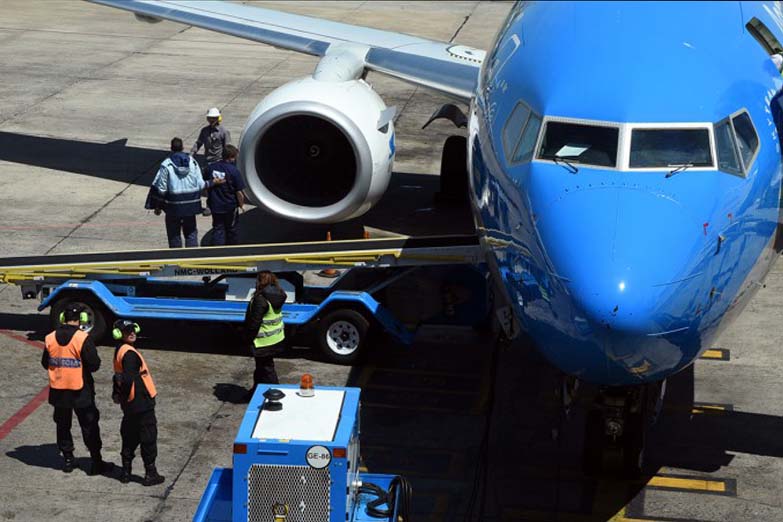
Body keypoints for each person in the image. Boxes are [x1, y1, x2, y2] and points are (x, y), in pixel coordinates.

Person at [41, 304, 106, 475]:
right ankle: (96, 461)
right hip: (80, 390)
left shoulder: (50, 338)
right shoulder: (82, 338)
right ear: (82, 320)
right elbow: (94, 364)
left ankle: (68, 459)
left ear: (63, 318)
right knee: (89, 424)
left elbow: (44, 363)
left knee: (62, 424)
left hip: (59, 390)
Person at [111, 319, 165, 486]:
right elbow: (127, 379)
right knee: (148, 437)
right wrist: (125, 397)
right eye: (128, 331)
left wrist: (120, 397)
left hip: (130, 404)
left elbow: (118, 377)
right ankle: (150, 474)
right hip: (141, 402)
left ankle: (125, 472)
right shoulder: (130, 354)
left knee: (129, 435)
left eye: (133, 330)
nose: (132, 333)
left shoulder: (120, 350)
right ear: (119, 334)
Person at [152, 137, 224, 248]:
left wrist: (158, 206)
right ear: (182, 147)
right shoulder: (192, 162)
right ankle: (191, 261)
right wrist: (212, 182)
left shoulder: (166, 164)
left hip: (173, 206)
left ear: (171, 148)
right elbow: (200, 185)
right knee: (191, 233)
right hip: (191, 205)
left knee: (174, 235)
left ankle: (176, 260)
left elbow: (161, 189)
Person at [243, 271, 287, 390]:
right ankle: (255, 392)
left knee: (267, 369)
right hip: (276, 339)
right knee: (261, 368)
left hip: (262, 342)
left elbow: (254, 323)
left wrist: (247, 339)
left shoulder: (260, 299)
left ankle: (276, 395)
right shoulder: (278, 294)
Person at [204, 144, 246, 246]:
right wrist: (242, 205)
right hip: (229, 206)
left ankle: (217, 251)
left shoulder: (210, 168)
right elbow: (239, 192)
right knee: (231, 229)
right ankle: (231, 250)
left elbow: (206, 185)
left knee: (218, 227)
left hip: (215, 204)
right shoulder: (234, 171)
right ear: (232, 157)